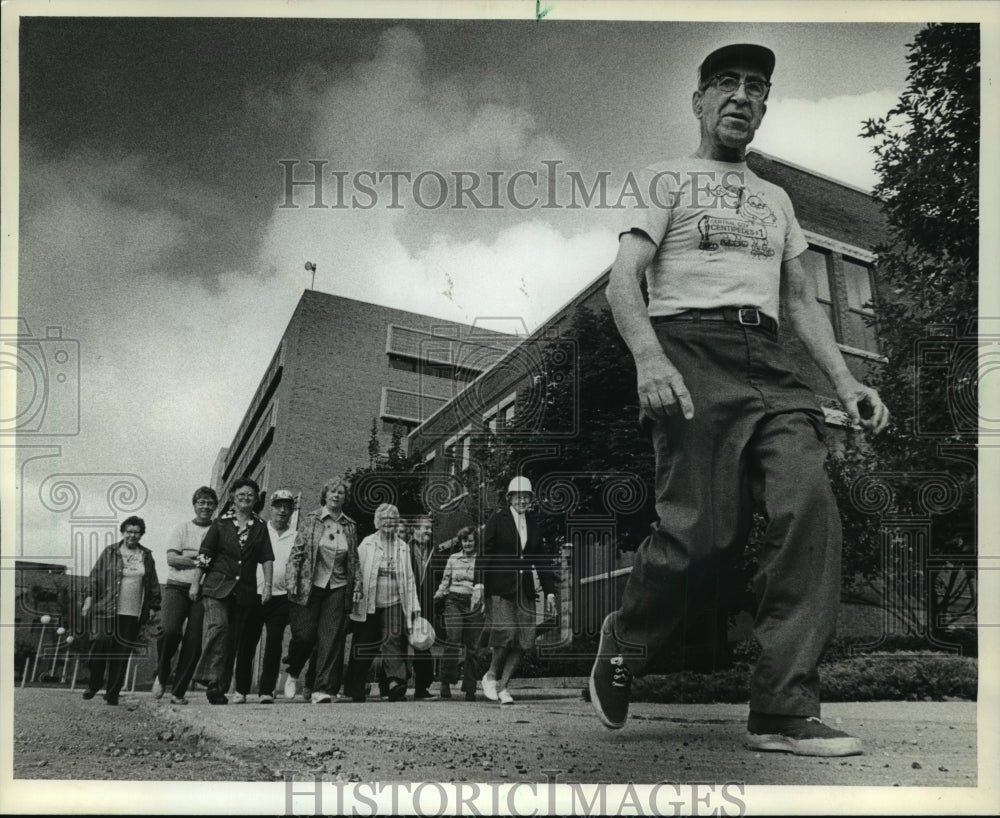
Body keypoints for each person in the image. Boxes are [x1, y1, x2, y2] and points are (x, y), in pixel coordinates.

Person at [589, 43, 890, 756]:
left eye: (757, 87)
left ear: (764, 106)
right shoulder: (664, 178)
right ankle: (626, 639)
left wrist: (844, 382)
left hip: (773, 364)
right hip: (689, 351)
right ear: (698, 101)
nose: (742, 96)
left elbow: (801, 303)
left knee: (810, 503)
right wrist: (650, 359)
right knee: (700, 541)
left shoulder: (777, 200)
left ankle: (784, 708)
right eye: (726, 83)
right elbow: (621, 280)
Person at [472, 477, 557, 705]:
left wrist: (550, 592)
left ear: (530, 499)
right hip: (499, 587)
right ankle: (490, 675)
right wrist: (479, 584)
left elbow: (542, 560)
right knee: (505, 632)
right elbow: (484, 553)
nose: (522, 500)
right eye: (517, 496)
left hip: (524, 590)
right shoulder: (497, 520)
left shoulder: (534, 523)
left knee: (525, 639)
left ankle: (503, 686)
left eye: (526, 496)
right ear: (509, 498)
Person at [193, 478, 274, 705]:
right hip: (216, 587)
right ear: (232, 498)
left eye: (250, 495)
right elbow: (205, 554)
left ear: (256, 499)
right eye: (241, 495)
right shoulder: (220, 523)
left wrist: (267, 585)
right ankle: (207, 676)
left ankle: (217, 688)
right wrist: (195, 582)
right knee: (220, 627)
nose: (245, 498)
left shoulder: (260, 526)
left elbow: (266, 558)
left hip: (244, 592)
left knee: (232, 641)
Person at [283, 477, 361, 703]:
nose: (336, 495)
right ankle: (293, 672)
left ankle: (322, 689)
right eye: (332, 492)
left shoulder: (350, 526)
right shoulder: (312, 519)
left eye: (341, 493)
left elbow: (354, 560)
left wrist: (357, 587)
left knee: (330, 639)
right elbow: (297, 553)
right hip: (310, 585)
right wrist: (292, 581)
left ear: (345, 498)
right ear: (325, 496)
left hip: (337, 586)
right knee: (305, 635)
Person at [344, 503, 422, 702]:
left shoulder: (403, 547)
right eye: (384, 519)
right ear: (377, 522)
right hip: (369, 602)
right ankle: (356, 687)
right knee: (364, 642)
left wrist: (414, 608)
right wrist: (354, 592)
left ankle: (395, 683)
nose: (388, 523)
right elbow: (356, 571)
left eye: (392, 519)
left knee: (393, 639)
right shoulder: (367, 543)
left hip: (394, 601)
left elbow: (410, 580)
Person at [81, 516, 161, 705]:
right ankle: (95, 682)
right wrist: (88, 600)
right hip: (106, 609)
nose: (132, 535)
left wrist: (154, 607)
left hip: (132, 612)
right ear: (123, 532)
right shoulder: (110, 552)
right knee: (100, 642)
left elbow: (153, 583)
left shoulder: (146, 556)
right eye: (129, 531)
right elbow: (95, 578)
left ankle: (112, 694)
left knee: (122, 652)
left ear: (141, 534)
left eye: (136, 532)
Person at [153, 487, 218, 705]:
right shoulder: (182, 528)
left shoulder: (218, 531)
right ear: (194, 505)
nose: (205, 507)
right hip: (177, 587)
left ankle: (178, 691)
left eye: (209, 503)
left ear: (215, 507)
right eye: (201, 502)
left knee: (194, 642)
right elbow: (172, 559)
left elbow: (219, 563)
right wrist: (201, 559)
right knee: (169, 631)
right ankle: (162, 673)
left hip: (204, 591)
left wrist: (189, 556)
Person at [234, 489, 298, 704]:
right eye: (278, 505)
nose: (282, 510)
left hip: (280, 597)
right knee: (247, 642)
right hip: (254, 593)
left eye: (287, 507)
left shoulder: (295, 536)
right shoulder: (259, 530)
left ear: (291, 511)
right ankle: (241, 689)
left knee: (274, 643)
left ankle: (266, 691)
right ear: (271, 508)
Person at [434, 526, 484, 701]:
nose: (468, 543)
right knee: (453, 639)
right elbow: (445, 582)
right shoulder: (453, 559)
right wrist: (437, 596)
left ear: (475, 541)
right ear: (460, 542)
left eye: (470, 540)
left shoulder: (481, 559)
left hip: (474, 603)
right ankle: (446, 682)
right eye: (464, 540)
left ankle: (470, 688)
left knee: (473, 646)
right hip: (453, 601)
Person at [407, 514, 437, 700]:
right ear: (415, 530)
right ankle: (392, 686)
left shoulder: (435, 551)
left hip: (427, 603)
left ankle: (421, 688)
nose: (429, 531)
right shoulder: (404, 549)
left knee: (423, 644)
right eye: (425, 528)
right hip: (405, 602)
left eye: (430, 528)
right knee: (399, 644)